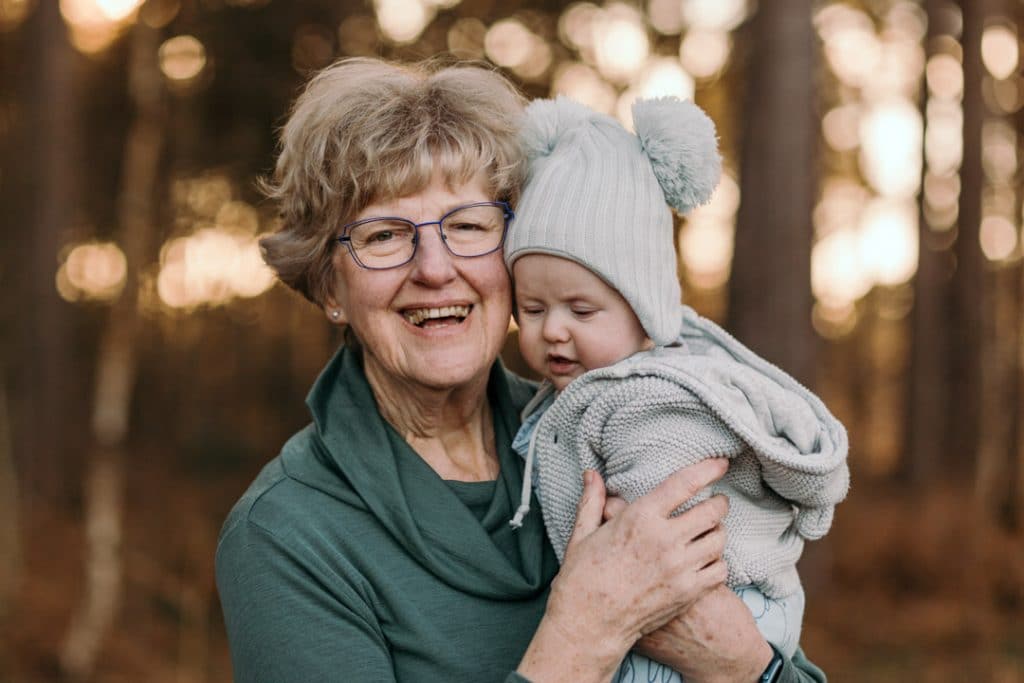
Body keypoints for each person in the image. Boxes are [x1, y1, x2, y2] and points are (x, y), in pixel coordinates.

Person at [215, 56, 829, 683]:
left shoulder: (616, 433)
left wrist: (740, 663)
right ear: (330, 289)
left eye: (469, 225)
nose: (433, 268)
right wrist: (585, 632)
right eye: (384, 236)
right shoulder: (287, 535)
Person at [502, 96, 850, 683]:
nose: (552, 329)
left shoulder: (653, 403)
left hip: (715, 608)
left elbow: (653, 555)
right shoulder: (584, 392)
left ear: (647, 314)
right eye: (532, 307)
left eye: (581, 309)